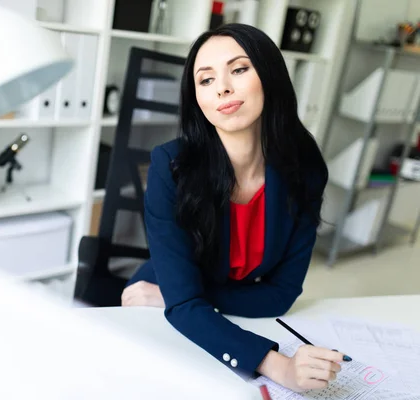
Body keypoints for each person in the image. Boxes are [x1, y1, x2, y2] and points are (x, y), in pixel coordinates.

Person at [120, 24, 350, 392]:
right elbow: (184, 308)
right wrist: (278, 366)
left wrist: (182, 298)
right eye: (206, 80)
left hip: (172, 298)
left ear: (269, 75)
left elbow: (281, 295)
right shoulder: (171, 166)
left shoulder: (305, 171)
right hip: (156, 303)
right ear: (196, 97)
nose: (222, 87)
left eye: (239, 69)